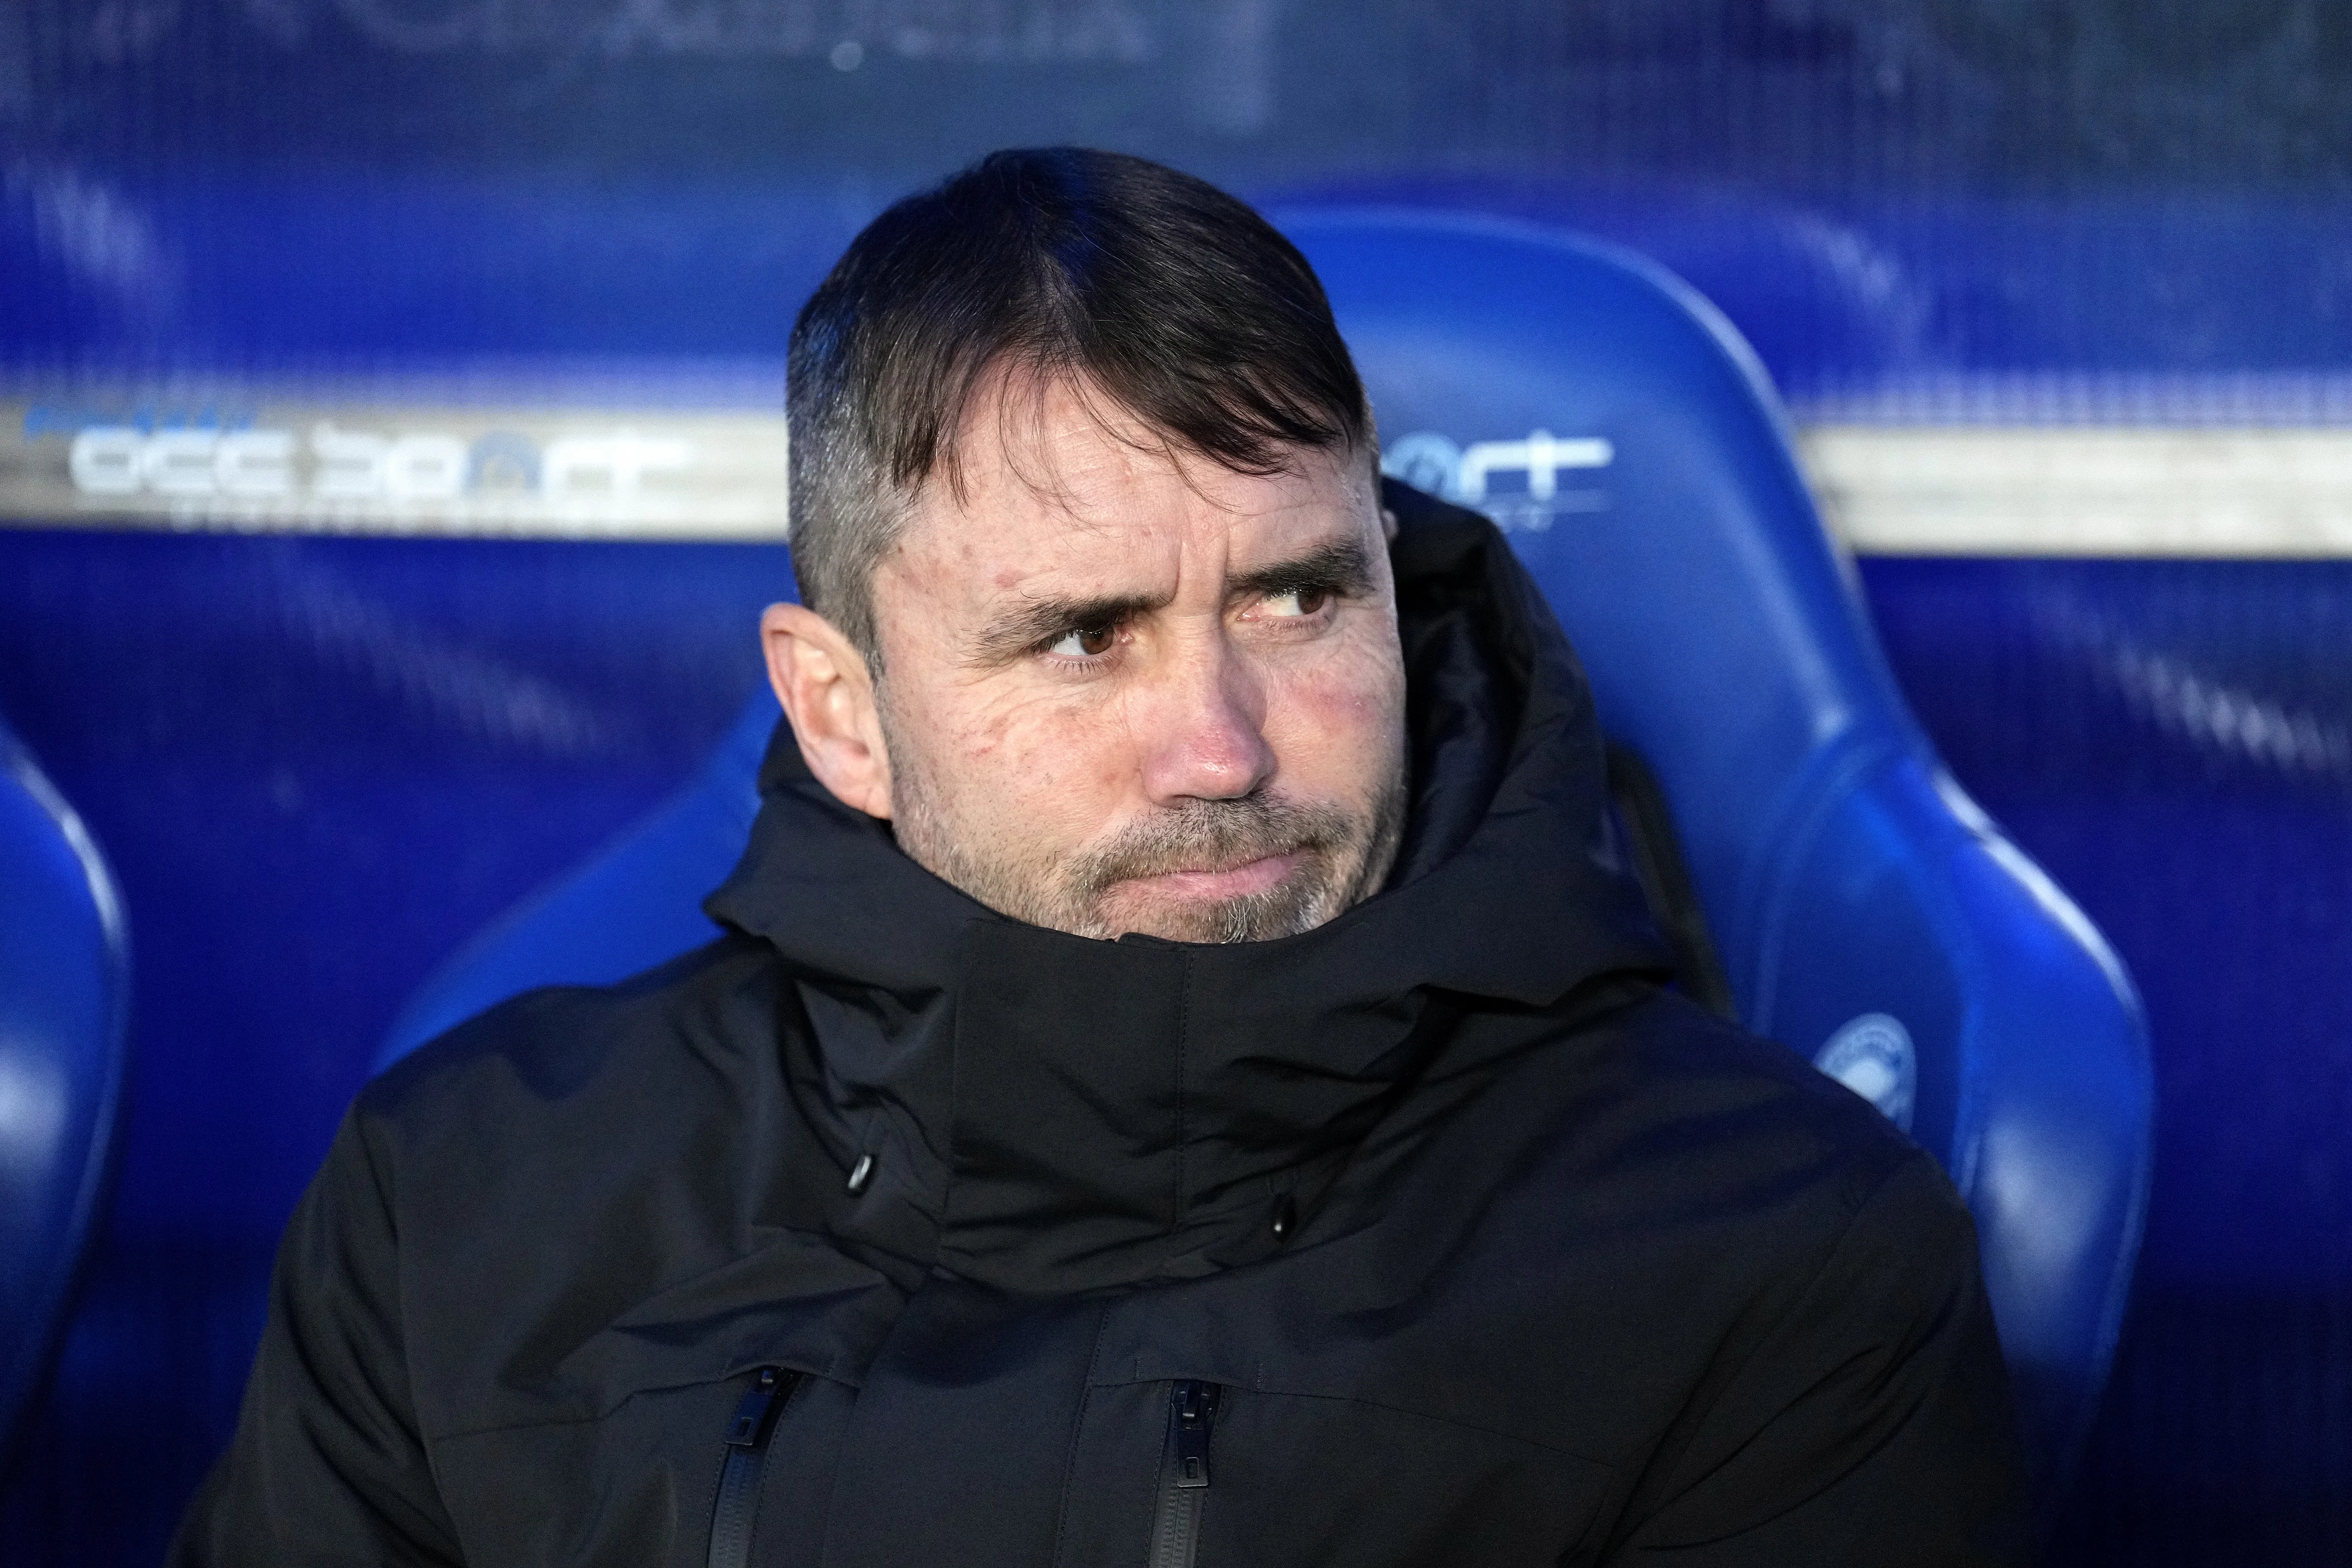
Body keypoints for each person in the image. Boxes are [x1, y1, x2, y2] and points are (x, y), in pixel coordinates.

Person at [171, 147, 2028, 1567]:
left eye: (1298, 598)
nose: (1222, 748)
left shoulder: (1773, 1260)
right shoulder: (467, 1203)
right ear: (840, 711)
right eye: (1082, 636)